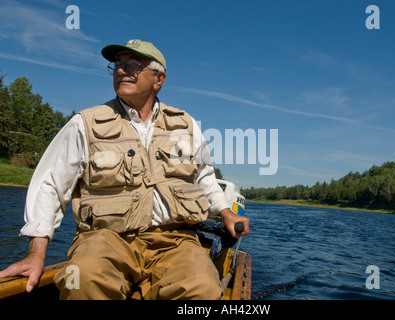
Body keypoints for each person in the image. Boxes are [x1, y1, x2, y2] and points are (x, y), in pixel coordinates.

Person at [0, 39, 249, 300]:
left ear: (158, 78)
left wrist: (225, 213)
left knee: (204, 289)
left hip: (175, 240)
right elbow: (49, 185)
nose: (120, 70)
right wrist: (36, 252)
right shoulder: (84, 123)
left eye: (132, 65)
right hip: (104, 240)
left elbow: (204, 178)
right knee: (82, 278)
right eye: (117, 65)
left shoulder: (186, 124)